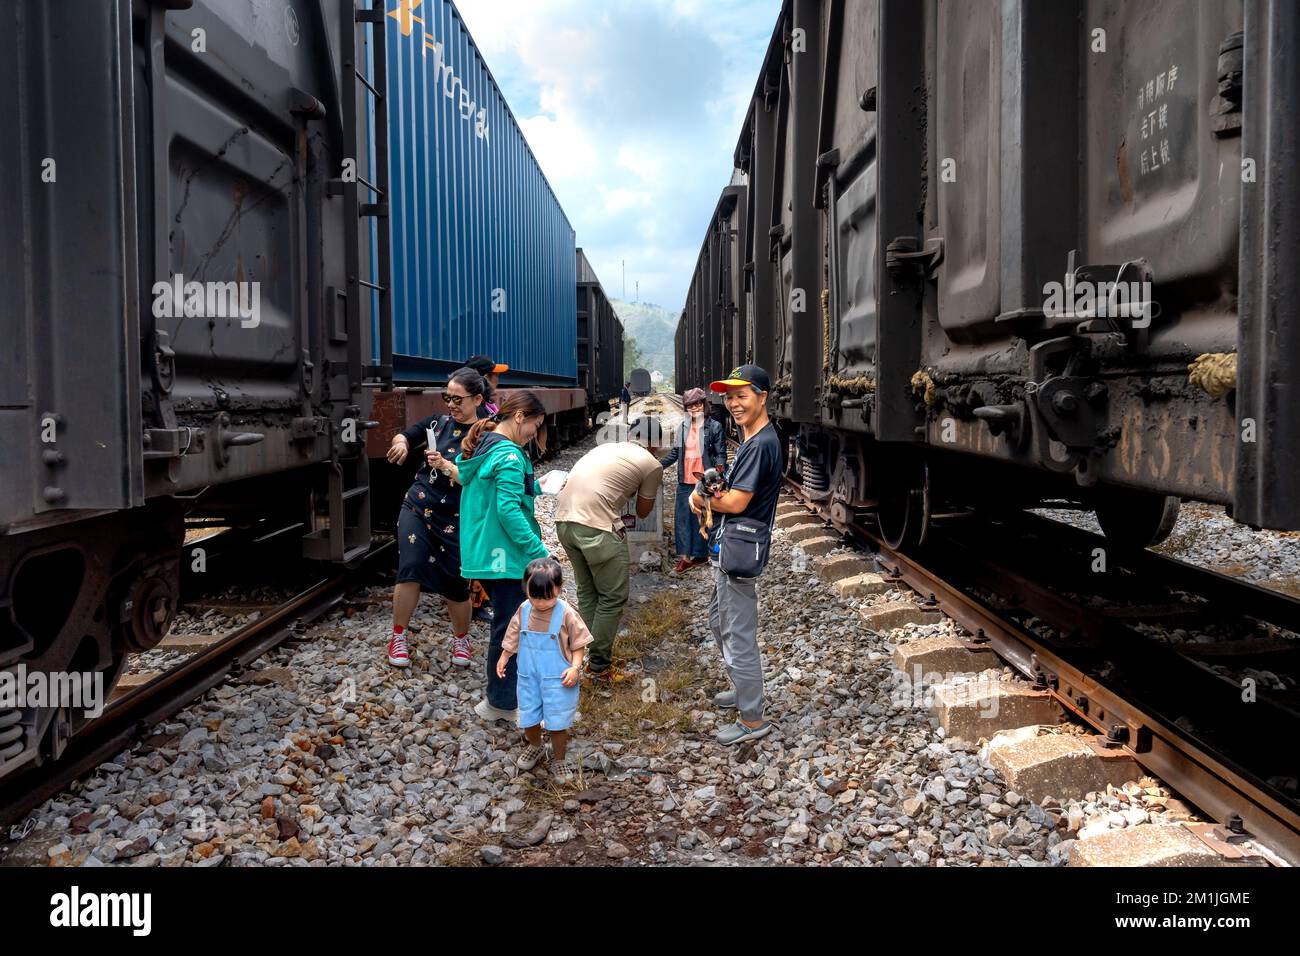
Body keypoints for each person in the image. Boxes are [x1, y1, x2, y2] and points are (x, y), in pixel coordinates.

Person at [690, 365, 783, 746]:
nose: (733, 403)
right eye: (729, 396)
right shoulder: (752, 439)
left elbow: (736, 499)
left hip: (739, 550)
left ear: (762, 396)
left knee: (737, 632)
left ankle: (753, 718)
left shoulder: (761, 444)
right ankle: (744, 691)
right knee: (718, 620)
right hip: (728, 545)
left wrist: (702, 496)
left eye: (742, 395)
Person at [384, 367, 488, 669]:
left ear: (477, 398)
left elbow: (476, 481)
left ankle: (461, 638)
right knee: (411, 567)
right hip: (418, 506)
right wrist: (401, 443)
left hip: (456, 516)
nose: (451, 405)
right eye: (447, 398)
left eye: (458, 399)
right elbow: (407, 434)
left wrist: (444, 465)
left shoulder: (484, 436)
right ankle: (399, 636)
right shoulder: (436, 423)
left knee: (455, 582)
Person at [456, 391, 551, 724]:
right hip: (505, 557)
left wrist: (538, 488)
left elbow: (494, 491)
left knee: (505, 626)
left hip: (484, 553)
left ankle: (502, 698)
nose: (532, 436)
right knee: (510, 630)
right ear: (521, 417)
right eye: (534, 427)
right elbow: (508, 511)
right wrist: (540, 553)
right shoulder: (509, 455)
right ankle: (500, 703)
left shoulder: (486, 446)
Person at [554, 431, 660, 683]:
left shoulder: (605, 449)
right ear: (655, 445)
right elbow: (643, 512)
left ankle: (587, 655)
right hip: (596, 528)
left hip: (563, 522)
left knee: (588, 592)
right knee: (612, 597)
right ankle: (599, 667)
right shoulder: (651, 463)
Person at [496, 558, 593, 783]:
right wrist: (504, 656)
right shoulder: (524, 609)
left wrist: (575, 668)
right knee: (528, 716)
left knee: (558, 723)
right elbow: (512, 634)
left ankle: (559, 759)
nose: (540, 603)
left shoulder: (566, 613)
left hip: (559, 679)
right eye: (534, 596)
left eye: (547, 597)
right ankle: (536, 744)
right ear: (526, 589)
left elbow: (579, 644)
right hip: (529, 677)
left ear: (559, 588)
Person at [659, 387, 727, 572]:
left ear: (704, 405)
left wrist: (719, 474)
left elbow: (720, 454)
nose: (694, 408)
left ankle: (701, 555)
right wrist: (657, 465)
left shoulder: (714, 426)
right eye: (690, 405)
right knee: (683, 519)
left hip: (703, 482)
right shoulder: (683, 427)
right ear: (686, 408)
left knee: (702, 517)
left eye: (698, 404)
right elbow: (675, 452)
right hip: (685, 479)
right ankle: (685, 558)